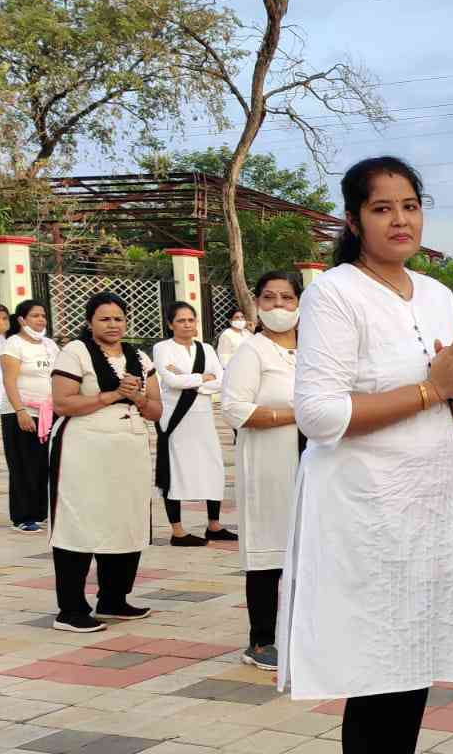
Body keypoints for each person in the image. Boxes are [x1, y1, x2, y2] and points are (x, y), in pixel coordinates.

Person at [281, 155, 453, 754]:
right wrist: (431, 388)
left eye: (411, 205)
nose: (400, 219)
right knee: (375, 673)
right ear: (354, 219)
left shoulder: (434, 294)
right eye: (382, 209)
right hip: (363, 509)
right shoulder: (334, 296)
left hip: (427, 503)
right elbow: (321, 416)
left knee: (411, 663)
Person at [48, 293, 163, 633]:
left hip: (127, 448)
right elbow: (62, 403)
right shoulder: (76, 352)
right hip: (83, 448)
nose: (113, 325)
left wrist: (138, 396)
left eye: (118, 318)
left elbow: (156, 409)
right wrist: (112, 395)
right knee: (80, 520)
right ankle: (70, 608)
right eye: (104, 318)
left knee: (126, 518)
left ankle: (114, 598)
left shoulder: (139, 357)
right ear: (89, 322)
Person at [220, 271, 302, 672]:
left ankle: (303, 633)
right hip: (268, 463)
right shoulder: (253, 351)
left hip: (311, 463)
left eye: (287, 298)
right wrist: (293, 416)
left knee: (308, 550)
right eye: (269, 298)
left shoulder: (312, 350)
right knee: (269, 551)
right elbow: (235, 409)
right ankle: (261, 639)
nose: (279, 306)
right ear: (257, 303)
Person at [153, 303, 233, 547]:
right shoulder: (162, 348)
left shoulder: (206, 348)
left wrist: (191, 381)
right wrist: (201, 378)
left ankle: (214, 525)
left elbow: (221, 380)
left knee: (212, 466)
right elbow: (170, 380)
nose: (187, 324)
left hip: (203, 417)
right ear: (170, 324)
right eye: (181, 320)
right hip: (175, 418)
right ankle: (177, 531)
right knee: (176, 470)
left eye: (191, 320)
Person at [1, 300, 59, 533]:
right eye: (35, 315)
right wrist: (20, 411)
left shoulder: (50, 345)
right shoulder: (13, 344)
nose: (41, 320)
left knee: (43, 464)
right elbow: (9, 380)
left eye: (43, 315)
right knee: (23, 464)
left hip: (49, 413)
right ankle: (22, 516)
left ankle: (39, 512)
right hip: (21, 412)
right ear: (22, 320)